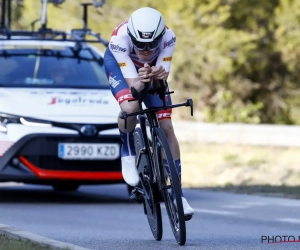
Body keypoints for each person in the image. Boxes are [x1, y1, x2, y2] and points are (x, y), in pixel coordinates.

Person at [104, 7, 194, 216]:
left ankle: (177, 194)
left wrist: (156, 77)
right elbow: (134, 89)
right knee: (131, 107)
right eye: (140, 43)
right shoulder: (119, 40)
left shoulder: (169, 38)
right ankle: (127, 152)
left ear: (161, 37)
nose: (145, 49)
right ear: (132, 36)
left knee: (167, 125)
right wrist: (141, 81)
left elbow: (160, 84)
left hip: (151, 70)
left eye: (151, 44)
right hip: (121, 67)